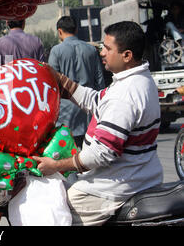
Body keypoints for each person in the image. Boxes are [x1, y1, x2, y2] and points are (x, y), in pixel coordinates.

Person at [33, 21, 163, 226]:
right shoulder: (134, 80)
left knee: (52, 215)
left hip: (112, 187)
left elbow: (101, 153)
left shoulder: (125, 94)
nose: (102, 52)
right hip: (137, 176)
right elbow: (94, 101)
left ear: (127, 55)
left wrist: (55, 166)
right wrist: (59, 79)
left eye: (108, 48)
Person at [48, 16, 105, 148]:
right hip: (88, 107)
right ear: (76, 30)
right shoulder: (91, 50)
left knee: (67, 150)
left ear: (59, 31)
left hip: (66, 109)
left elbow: (53, 82)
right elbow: (99, 79)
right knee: (88, 148)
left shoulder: (56, 51)